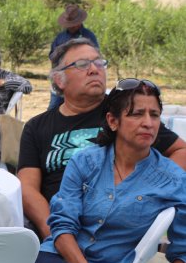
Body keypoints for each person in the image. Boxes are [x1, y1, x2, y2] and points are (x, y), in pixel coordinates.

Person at [28, 79, 186, 263]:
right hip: (55, 260)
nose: (148, 123)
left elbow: (185, 252)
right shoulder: (85, 160)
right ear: (113, 121)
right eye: (137, 114)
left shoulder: (172, 180)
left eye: (154, 115)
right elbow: (61, 228)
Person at [18, 38, 186, 240]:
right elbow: (27, 187)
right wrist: (56, 234)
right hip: (61, 223)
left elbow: (180, 151)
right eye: (82, 65)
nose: (94, 70)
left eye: (99, 63)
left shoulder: (127, 114)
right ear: (58, 79)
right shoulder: (37, 126)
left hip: (119, 227)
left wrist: (149, 187)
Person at [48, 5, 99, 110]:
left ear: (79, 22)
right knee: (53, 109)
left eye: (73, 24)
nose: (71, 26)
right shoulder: (60, 37)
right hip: (61, 79)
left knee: (80, 110)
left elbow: (95, 57)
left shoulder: (89, 36)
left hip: (81, 80)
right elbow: (52, 56)